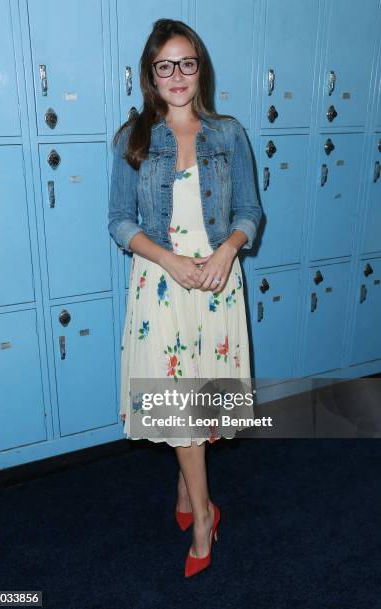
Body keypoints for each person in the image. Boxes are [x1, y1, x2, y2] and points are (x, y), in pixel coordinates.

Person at [108, 18, 262, 577]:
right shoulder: (133, 138)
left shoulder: (228, 133)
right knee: (182, 406)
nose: (177, 76)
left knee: (200, 403)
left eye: (187, 63)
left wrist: (228, 252)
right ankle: (204, 515)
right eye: (165, 66)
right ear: (152, 75)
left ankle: (186, 493)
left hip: (218, 283)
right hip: (161, 281)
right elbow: (120, 222)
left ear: (201, 69)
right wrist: (170, 260)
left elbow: (249, 211)